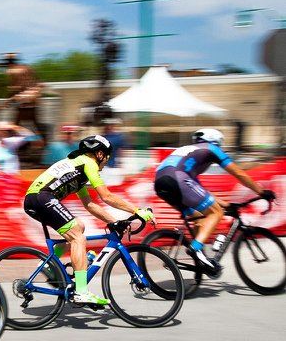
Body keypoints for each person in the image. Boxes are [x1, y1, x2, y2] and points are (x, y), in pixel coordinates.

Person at [23, 135, 155, 306]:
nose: (107, 161)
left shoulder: (78, 168)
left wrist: (113, 222)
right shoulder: (88, 163)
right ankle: (81, 292)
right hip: (42, 198)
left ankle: (49, 264)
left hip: (35, 199)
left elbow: (89, 204)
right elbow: (106, 196)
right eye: (107, 156)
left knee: (79, 226)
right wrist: (137, 210)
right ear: (99, 154)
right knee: (78, 237)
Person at [153, 128, 275, 276]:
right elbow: (239, 173)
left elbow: (200, 192)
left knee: (199, 218)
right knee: (216, 213)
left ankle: (201, 261)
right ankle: (195, 249)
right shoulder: (211, 148)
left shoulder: (189, 153)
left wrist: (226, 205)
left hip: (160, 182)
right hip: (178, 179)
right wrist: (261, 192)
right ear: (216, 141)